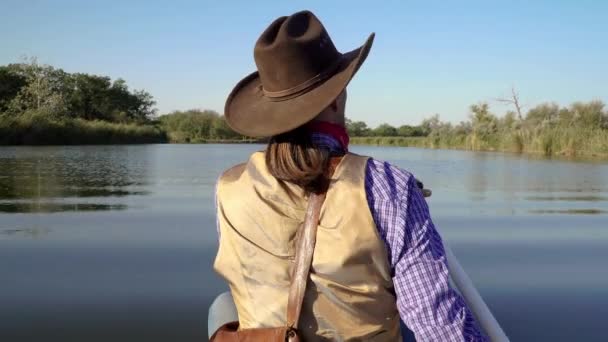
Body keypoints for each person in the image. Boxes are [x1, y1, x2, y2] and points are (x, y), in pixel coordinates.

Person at [213, 10, 487, 341]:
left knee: (223, 305)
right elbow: (439, 326)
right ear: (335, 99)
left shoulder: (229, 187)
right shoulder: (388, 186)